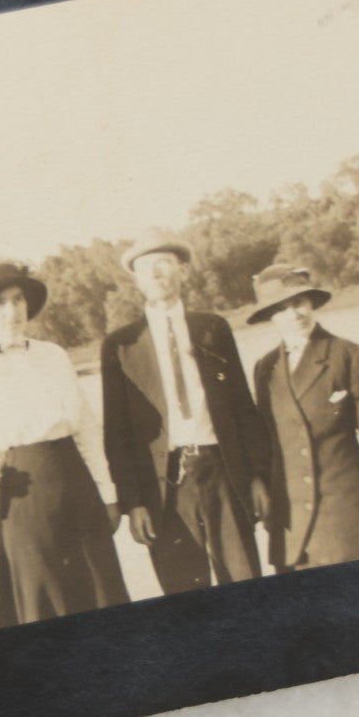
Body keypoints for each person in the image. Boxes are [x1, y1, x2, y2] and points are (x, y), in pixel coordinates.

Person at [0, 262, 129, 627]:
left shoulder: (54, 356)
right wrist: (16, 473)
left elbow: (86, 429)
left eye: (18, 299)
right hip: (24, 498)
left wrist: (108, 493)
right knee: (45, 601)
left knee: (100, 594)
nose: (11, 311)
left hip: (78, 486)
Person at [100, 235, 270, 594]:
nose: (156, 273)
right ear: (136, 281)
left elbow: (242, 406)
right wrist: (133, 503)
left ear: (182, 270)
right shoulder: (120, 346)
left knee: (246, 582)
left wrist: (257, 477)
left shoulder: (213, 328)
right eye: (146, 268)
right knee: (184, 593)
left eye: (163, 263)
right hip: (164, 489)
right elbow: (117, 434)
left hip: (222, 472)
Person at [247, 263, 359, 572]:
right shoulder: (265, 368)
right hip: (292, 521)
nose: (295, 314)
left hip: (346, 511)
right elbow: (266, 443)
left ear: (312, 303)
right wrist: (265, 498)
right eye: (282, 308)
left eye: (300, 302)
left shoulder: (347, 355)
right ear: (271, 316)